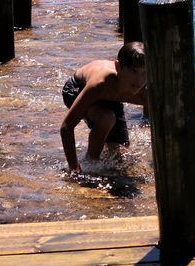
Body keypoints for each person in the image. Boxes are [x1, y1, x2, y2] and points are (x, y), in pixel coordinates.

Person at [59, 42, 146, 173]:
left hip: (111, 96)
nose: (139, 81)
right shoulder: (100, 84)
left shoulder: (145, 89)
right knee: (107, 118)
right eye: (133, 71)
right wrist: (73, 167)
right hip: (77, 88)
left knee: (121, 154)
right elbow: (66, 126)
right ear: (118, 67)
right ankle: (91, 162)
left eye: (145, 73)